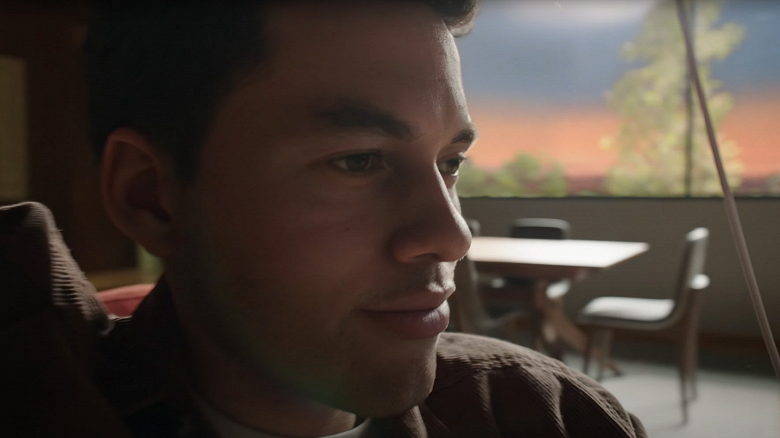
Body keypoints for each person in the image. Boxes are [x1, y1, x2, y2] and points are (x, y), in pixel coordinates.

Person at [0, 1, 646, 436]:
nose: (452, 238)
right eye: (358, 161)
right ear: (150, 196)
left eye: (451, 163)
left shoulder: (548, 416)